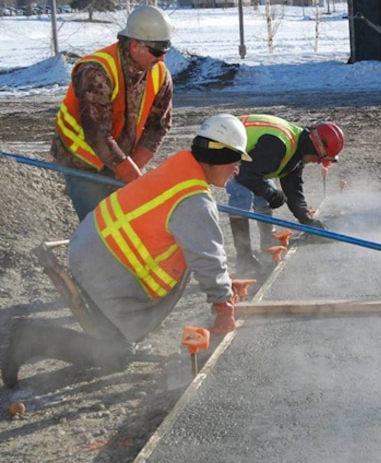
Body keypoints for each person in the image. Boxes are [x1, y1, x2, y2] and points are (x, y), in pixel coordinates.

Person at [1, 114, 253, 389]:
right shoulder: (194, 200)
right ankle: (30, 338)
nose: (236, 170)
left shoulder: (181, 166)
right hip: (104, 264)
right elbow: (206, 257)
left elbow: (200, 246)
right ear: (217, 158)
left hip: (94, 244)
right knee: (115, 355)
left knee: (118, 339)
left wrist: (223, 286)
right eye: (235, 161)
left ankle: (50, 336)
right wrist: (224, 307)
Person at [51, 4, 175, 221]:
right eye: (156, 52)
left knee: (129, 222)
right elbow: (98, 134)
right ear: (135, 46)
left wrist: (134, 165)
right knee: (98, 225)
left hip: (119, 157)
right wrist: (126, 169)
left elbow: (159, 126)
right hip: (83, 160)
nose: (161, 59)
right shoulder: (96, 71)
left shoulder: (160, 75)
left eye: (165, 51)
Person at [226, 114, 345, 273]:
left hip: (249, 162)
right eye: (319, 158)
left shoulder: (297, 152)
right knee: (242, 193)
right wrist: (271, 193)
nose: (318, 162)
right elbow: (245, 175)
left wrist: (307, 220)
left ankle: (267, 246)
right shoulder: (278, 146)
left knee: (265, 192)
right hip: (223, 150)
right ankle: (244, 257)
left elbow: (293, 189)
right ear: (314, 147)